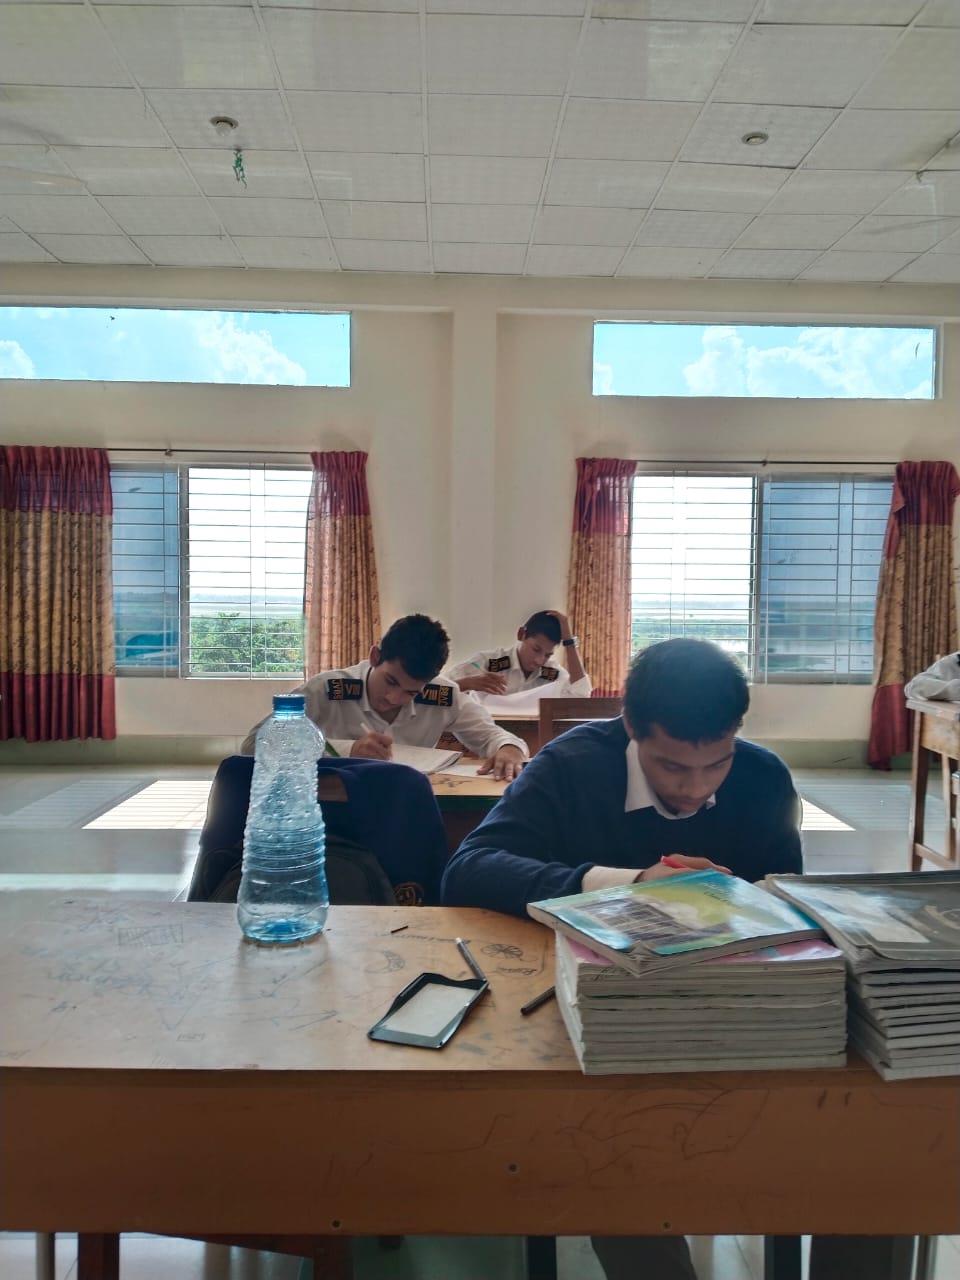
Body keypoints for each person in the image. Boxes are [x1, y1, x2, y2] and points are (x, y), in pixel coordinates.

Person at [442, 637, 907, 1280]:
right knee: (618, 1158)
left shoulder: (763, 777)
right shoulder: (571, 765)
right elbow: (467, 870)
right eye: (671, 766)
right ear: (631, 728)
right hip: (610, 1036)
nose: (694, 789)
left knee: (878, 1152)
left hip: (742, 1027)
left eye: (716, 764)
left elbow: (789, 918)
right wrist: (627, 885)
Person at [240, 614, 527, 781]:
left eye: (411, 692)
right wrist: (348, 751)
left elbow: (492, 735)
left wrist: (509, 749)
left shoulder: (442, 695)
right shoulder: (328, 689)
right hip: (331, 809)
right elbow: (254, 744)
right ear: (375, 656)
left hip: (401, 809)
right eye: (390, 681)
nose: (394, 698)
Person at [445, 609, 591, 702]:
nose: (539, 661)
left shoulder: (551, 672)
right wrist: (467, 683)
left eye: (548, 655)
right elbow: (437, 691)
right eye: (536, 649)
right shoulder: (489, 663)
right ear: (521, 634)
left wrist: (569, 642)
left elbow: (581, 696)